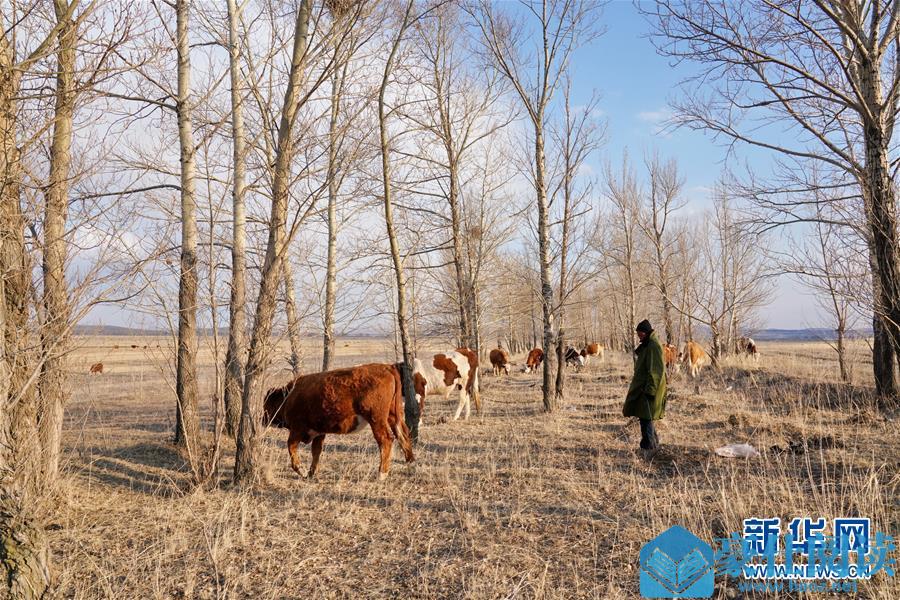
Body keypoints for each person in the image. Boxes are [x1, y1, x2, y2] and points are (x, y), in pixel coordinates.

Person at [623, 319, 666, 454]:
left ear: (646, 332)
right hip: (645, 387)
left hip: (649, 388)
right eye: (638, 334)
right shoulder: (649, 344)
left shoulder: (653, 346)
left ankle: (648, 448)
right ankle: (653, 444)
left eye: (640, 333)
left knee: (645, 417)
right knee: (645, 416)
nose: (639, 336)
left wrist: (650, 390)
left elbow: (656, 371)